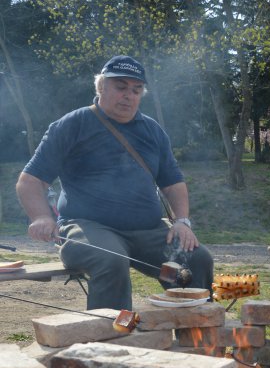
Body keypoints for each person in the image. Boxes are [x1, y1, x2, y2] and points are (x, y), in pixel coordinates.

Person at [16, 55, 214, 311]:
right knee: (110, 259)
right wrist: (41, 217)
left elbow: (173, 182)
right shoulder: (71, 125)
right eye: (121, 87)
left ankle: (194, 339)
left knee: (194, 260)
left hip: (148, 231)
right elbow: (30, 180)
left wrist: (182, 221)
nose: (128, 95)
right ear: (101, 87)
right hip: (87, 227)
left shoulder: (153, 131)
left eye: (136, 89)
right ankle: (111, 341)